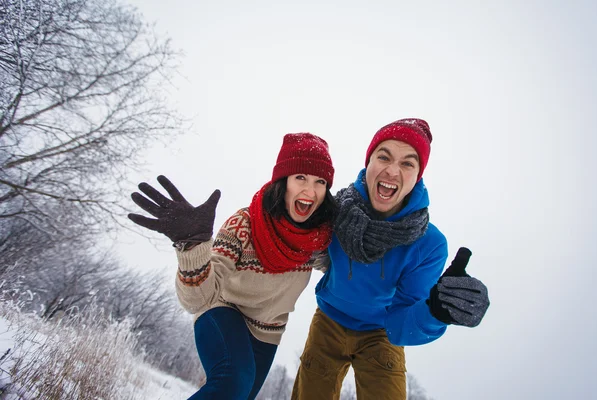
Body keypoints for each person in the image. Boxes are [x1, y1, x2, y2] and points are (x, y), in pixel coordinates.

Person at [128, 133, 337, 400]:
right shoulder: (245, 224)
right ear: (283, 181)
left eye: (320, 181)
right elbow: (197, 299)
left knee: (241, 394)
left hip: (268, 332)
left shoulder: (316, 240)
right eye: (300, 178)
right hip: (223, 311)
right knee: (234, 381)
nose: (310, 191)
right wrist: (192, 246)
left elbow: (344, 271)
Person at [291, 119, 490, 400]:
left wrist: (436, 311)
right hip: (328, 321)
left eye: (408, 163)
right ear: (368, 163)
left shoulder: (429, 245)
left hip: (381, 333)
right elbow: (294, 233)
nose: (392, 170)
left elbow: (400, 325)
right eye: (383, 156)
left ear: (418, 176)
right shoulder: (335, 212)